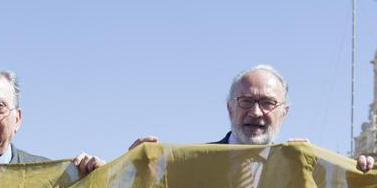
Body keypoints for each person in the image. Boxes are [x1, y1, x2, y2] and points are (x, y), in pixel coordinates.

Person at [131, 64, 307, 147]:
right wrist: (126, 175)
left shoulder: (297, 171)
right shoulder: (190, 165)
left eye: (268, 103)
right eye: (246, 101)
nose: (255, 112)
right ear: (230, 108)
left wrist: (318, 173)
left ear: (284, 113)